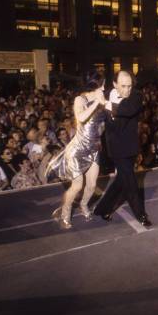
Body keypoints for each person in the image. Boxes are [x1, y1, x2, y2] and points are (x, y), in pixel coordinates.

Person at [46, 71, 106, 229]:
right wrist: (96, 102)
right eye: (103, 84)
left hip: (94, 149)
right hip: (78, 149)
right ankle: (65, 212)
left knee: (92, 185)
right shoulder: (81, 99)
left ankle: (83, 205)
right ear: (96, 85)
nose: (104, 87)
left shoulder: (102, 100)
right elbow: (81, 118)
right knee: (77, 185)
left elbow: (112, 116)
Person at [93, 71, 151, 227]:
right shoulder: (104, 95)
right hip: (115, 148)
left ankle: (102, 209)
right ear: (115, 85)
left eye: (129, 86)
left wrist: (105, 104)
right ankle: (141, 215)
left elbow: (127, 110)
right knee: (131, 182)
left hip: (130, 146)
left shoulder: (136, 96)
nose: (127, 90)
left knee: (121, 181)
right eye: (123, 86)